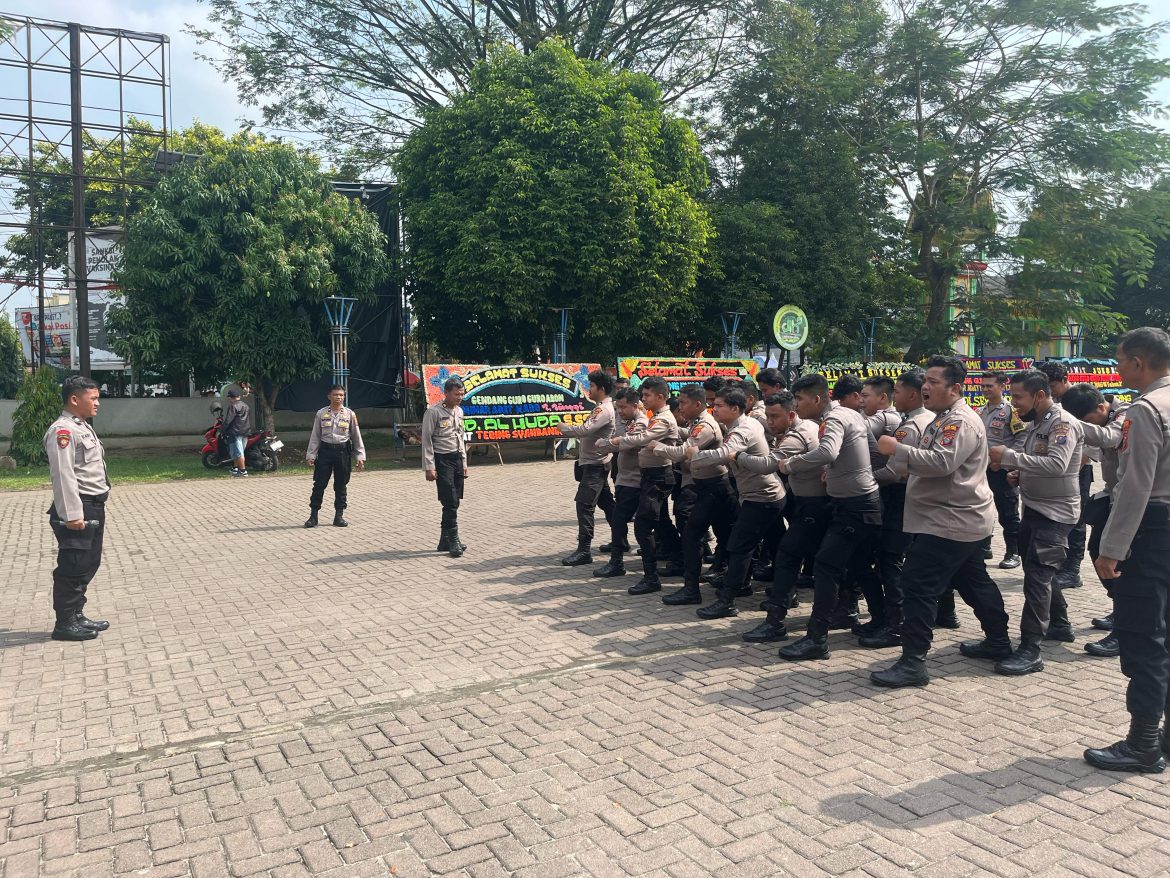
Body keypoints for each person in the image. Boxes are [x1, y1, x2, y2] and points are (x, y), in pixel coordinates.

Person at [869, 356, 1012, 688]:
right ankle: (998, 642)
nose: (926, 387)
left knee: (917, 587)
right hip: (956, 518)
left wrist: (897, 450)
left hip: (949, 521)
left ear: (955, 388)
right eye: (926, 381)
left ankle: (913, 662)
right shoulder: (944, 418)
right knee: (974, 583)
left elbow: (942, 462)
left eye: (933, 381)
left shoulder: (958, 421)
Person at [1083, 327, 1170, 774]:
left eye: (1119, 360)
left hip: (1150, 529)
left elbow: (1135, 485)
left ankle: (1142, 744)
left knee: (1143, 639)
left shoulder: (1147, 408)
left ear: (1138, 361)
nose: (1116, 368)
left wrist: (1111, 549)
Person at [775, 373, 882, 660]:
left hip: (854, 506)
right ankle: (884, 622)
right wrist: (849, 473)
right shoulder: (852, 414)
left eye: (799, 399)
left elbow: (827, 451)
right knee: (860, 566)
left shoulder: (833, 418)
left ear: (817, 398)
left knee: (825, 566)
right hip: (863, 501)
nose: (796, 405)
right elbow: (873, 453)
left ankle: (817, 640)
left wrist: (791, 464)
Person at [989, 369, 1084, 675]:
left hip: (1055, 514)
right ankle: (1059, 623)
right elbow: (1041, 461)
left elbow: (1057, 464)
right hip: (1035, 507)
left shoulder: (1062, 423)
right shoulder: (1037, 422)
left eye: (1018, 397)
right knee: (1038, 570)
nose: (1014, 403)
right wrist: (1022, 473)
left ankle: (1031, 649)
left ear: (1039, 395)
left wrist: (1010, 459)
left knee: (1037, 578)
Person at [687, 386, 785, 619]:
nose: (714, 409)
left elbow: (726, 452)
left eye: (719, 405)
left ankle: (728, 601)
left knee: (740, 547)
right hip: (765, 495)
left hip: (762, 497)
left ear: (735, 408)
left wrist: (696, 456)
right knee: (778, 546)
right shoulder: (741, 425)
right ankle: (782, 592)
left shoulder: (742, 429)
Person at [734, 389, 824, 642]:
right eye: (768, 417)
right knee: (823, 561)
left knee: (788, 556)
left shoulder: (797, 436)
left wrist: (737, 455)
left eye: (775, 417)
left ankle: (776, 622)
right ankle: (844, 611)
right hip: (811, 503)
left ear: (792, 413)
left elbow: (767, 464)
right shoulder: (807, 427)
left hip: (813, 505)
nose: (770, 422)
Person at [856, 369, 937, 648]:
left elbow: (893, 472)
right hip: (919, 500)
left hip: (901, 499)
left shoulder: (909, 427)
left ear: (912, 395)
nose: (894, 398)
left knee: (891, 560)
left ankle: (896, 626)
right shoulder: (931, 420)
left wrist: (861, 479)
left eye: (898, 393)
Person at [1062, 383, 1129, 658]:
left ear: (1102, 408)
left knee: (1125, 564)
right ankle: (1121, 608)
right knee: (1097, 551)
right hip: (1113, 498)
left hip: (1134, 503)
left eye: (1087, 422)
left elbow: (1112, 439)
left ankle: (1125, 631)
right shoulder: (1099, 419)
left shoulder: (1127, 414)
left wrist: (1071, 425)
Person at [652, 384, 733, 605]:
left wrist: (657, 447)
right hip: (709, 486)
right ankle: (727, 583)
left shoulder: (704, 426)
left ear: (698, 404)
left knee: (692, 534)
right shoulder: (698, 423)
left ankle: (692, 589)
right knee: (723, 535)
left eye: (684, 403)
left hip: (714, 487)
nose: (680, 407)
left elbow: (683, 452)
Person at [598, 377, 680, 594]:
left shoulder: (661, 419)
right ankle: (678, 560)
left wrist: (614, 442)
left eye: (646, 396)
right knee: (660, 522)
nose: (643, 399)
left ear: (660, 397)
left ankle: (652, 577)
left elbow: (642, 438)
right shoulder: (656, 417)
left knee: (643, 526)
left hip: (658, 477)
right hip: (650, 476)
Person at [44, 375, 111, 641]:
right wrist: (72, 514)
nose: (98, 403)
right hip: (78, 508)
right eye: (93, 398)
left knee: (88, 562)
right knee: (73, 564)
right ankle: (64, 623)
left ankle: (76, 614)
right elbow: (63, 475)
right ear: (74, 399)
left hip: (93, 505)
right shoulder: (63, 430)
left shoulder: (81, 426)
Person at [1038, 360, 1092, 589]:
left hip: (1077, 469)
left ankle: (1072, 570)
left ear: (1062, 381)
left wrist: (1071, 471)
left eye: (1051, 386)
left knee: (1076, 520)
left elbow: (1088, 445)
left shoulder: (1080, 400)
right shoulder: (1056, 403)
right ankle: (1060, 564)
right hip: (1057, 469)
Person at [558, 370, 617, 566]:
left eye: (591, 386)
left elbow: (585, 430)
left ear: (601, 388)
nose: (588, 389)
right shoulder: (601, 408)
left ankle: (584, 551)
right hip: (593, 463)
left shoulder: (603, 410)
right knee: (608, 505)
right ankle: (621, 539)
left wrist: (564, 428)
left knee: (584, 505)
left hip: (595, 465)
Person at [594, 389, 648, 578]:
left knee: (621, 519)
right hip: (625, 477)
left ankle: (617, 561)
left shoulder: (640, 423)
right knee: (646, 522)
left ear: (635, 405)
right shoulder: (625, 420)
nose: (620, 411)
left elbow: (625, 443)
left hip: (635, 479)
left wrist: (604, 444)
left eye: (623, 407)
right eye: (618, 408)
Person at [979, 370, 1025, 568]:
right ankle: (984, 546)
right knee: (982, 509)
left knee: (1008, 513)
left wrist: (1005, 460)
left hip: (1003, 471)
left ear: (1002, 386)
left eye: (990, 386)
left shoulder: (1011, 411)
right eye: (984, 386)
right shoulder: (980, 411)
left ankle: (1013, 553)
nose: (986, 389)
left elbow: (1022, 439)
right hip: (982, 470)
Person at [304, 384, 366, 528]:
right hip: (325, 451)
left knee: (341, 485)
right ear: (329, 396)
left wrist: (360, 456)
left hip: (343, 452)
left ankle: (339, 516)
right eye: (336, 395)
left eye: (341, 395)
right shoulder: (321, 413)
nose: (339, 397)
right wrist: (311, 454)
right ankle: (313, 516)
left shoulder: (350, 414)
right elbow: (315, 435)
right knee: (319, 484)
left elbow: (356, 436)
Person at [422, 377, 468, 557]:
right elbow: (426, 441)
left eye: (462, 394)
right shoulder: (433, 412)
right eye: (456, 394)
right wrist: (429, 467)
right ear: (446, 393)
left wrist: (464, 462)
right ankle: (454, 539)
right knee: (449, 500)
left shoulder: (460, 411)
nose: (459, 397)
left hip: (456, 459)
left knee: (455, 499)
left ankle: (444, 540)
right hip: (441, 460)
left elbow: (460, 438)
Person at [220, 388, 250, 477]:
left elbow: (228, 420)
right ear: (239, 396)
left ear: (230, 397)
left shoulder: (233, 406)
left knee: (238, 453)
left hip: (235, 432)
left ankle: (243, 471)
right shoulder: (246, 405)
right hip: (245, 432)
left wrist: (221, 430)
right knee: (239, 452)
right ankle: (235, 468)